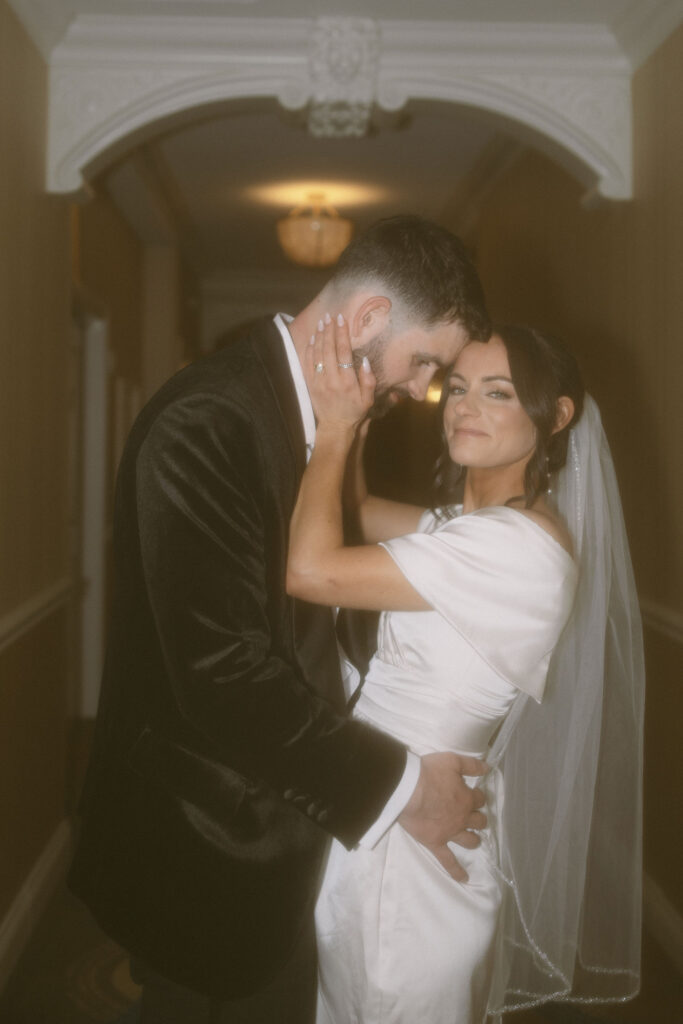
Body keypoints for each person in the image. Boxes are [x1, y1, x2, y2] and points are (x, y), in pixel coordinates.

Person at [67, 215, 493, 1024]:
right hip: (207, 850)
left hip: (295, 835)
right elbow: (224, 679)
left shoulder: (326, 423)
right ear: (368, 321)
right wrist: (406, 791)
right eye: (424, 362)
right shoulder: (208, 421)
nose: (418, 390)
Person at [287, 320, 644, 1022]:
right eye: (455, 388)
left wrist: (331, 433)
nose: (463, 407)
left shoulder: (514, 550)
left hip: (413, 854)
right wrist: (361, 409)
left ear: (555, 416)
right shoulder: (466, 526)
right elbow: (353, 512)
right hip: (390, 810)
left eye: (497, 392)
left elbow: (310, 570)